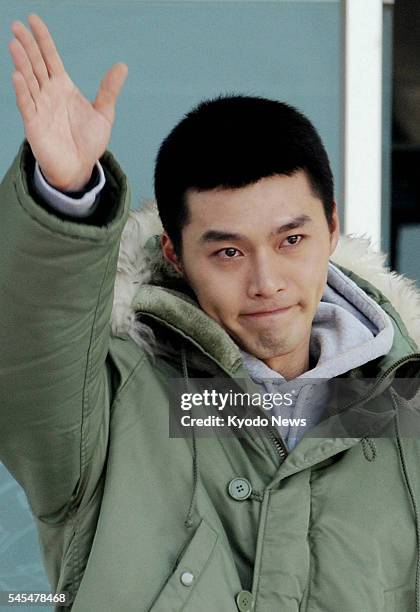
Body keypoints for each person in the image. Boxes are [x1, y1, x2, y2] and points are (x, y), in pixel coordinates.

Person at [1, 13, 420, 612]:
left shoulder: (406, 405)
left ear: (330, 229)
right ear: (174, 252)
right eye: (228, 251)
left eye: (291, 240)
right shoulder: (112, 403)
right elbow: (30, 354)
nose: (266, 282)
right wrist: (65, 196)